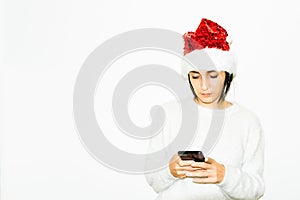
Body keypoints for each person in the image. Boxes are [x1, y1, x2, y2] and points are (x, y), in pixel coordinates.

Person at [145, 18, 265, 200]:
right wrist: (170, 170)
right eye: (195, 76)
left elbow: (256, 189)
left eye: (213, 75)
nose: (204, 86)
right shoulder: (168, 114)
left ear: (227, 74)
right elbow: (153, 179)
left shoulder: (247, 122)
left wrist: (225, 175)